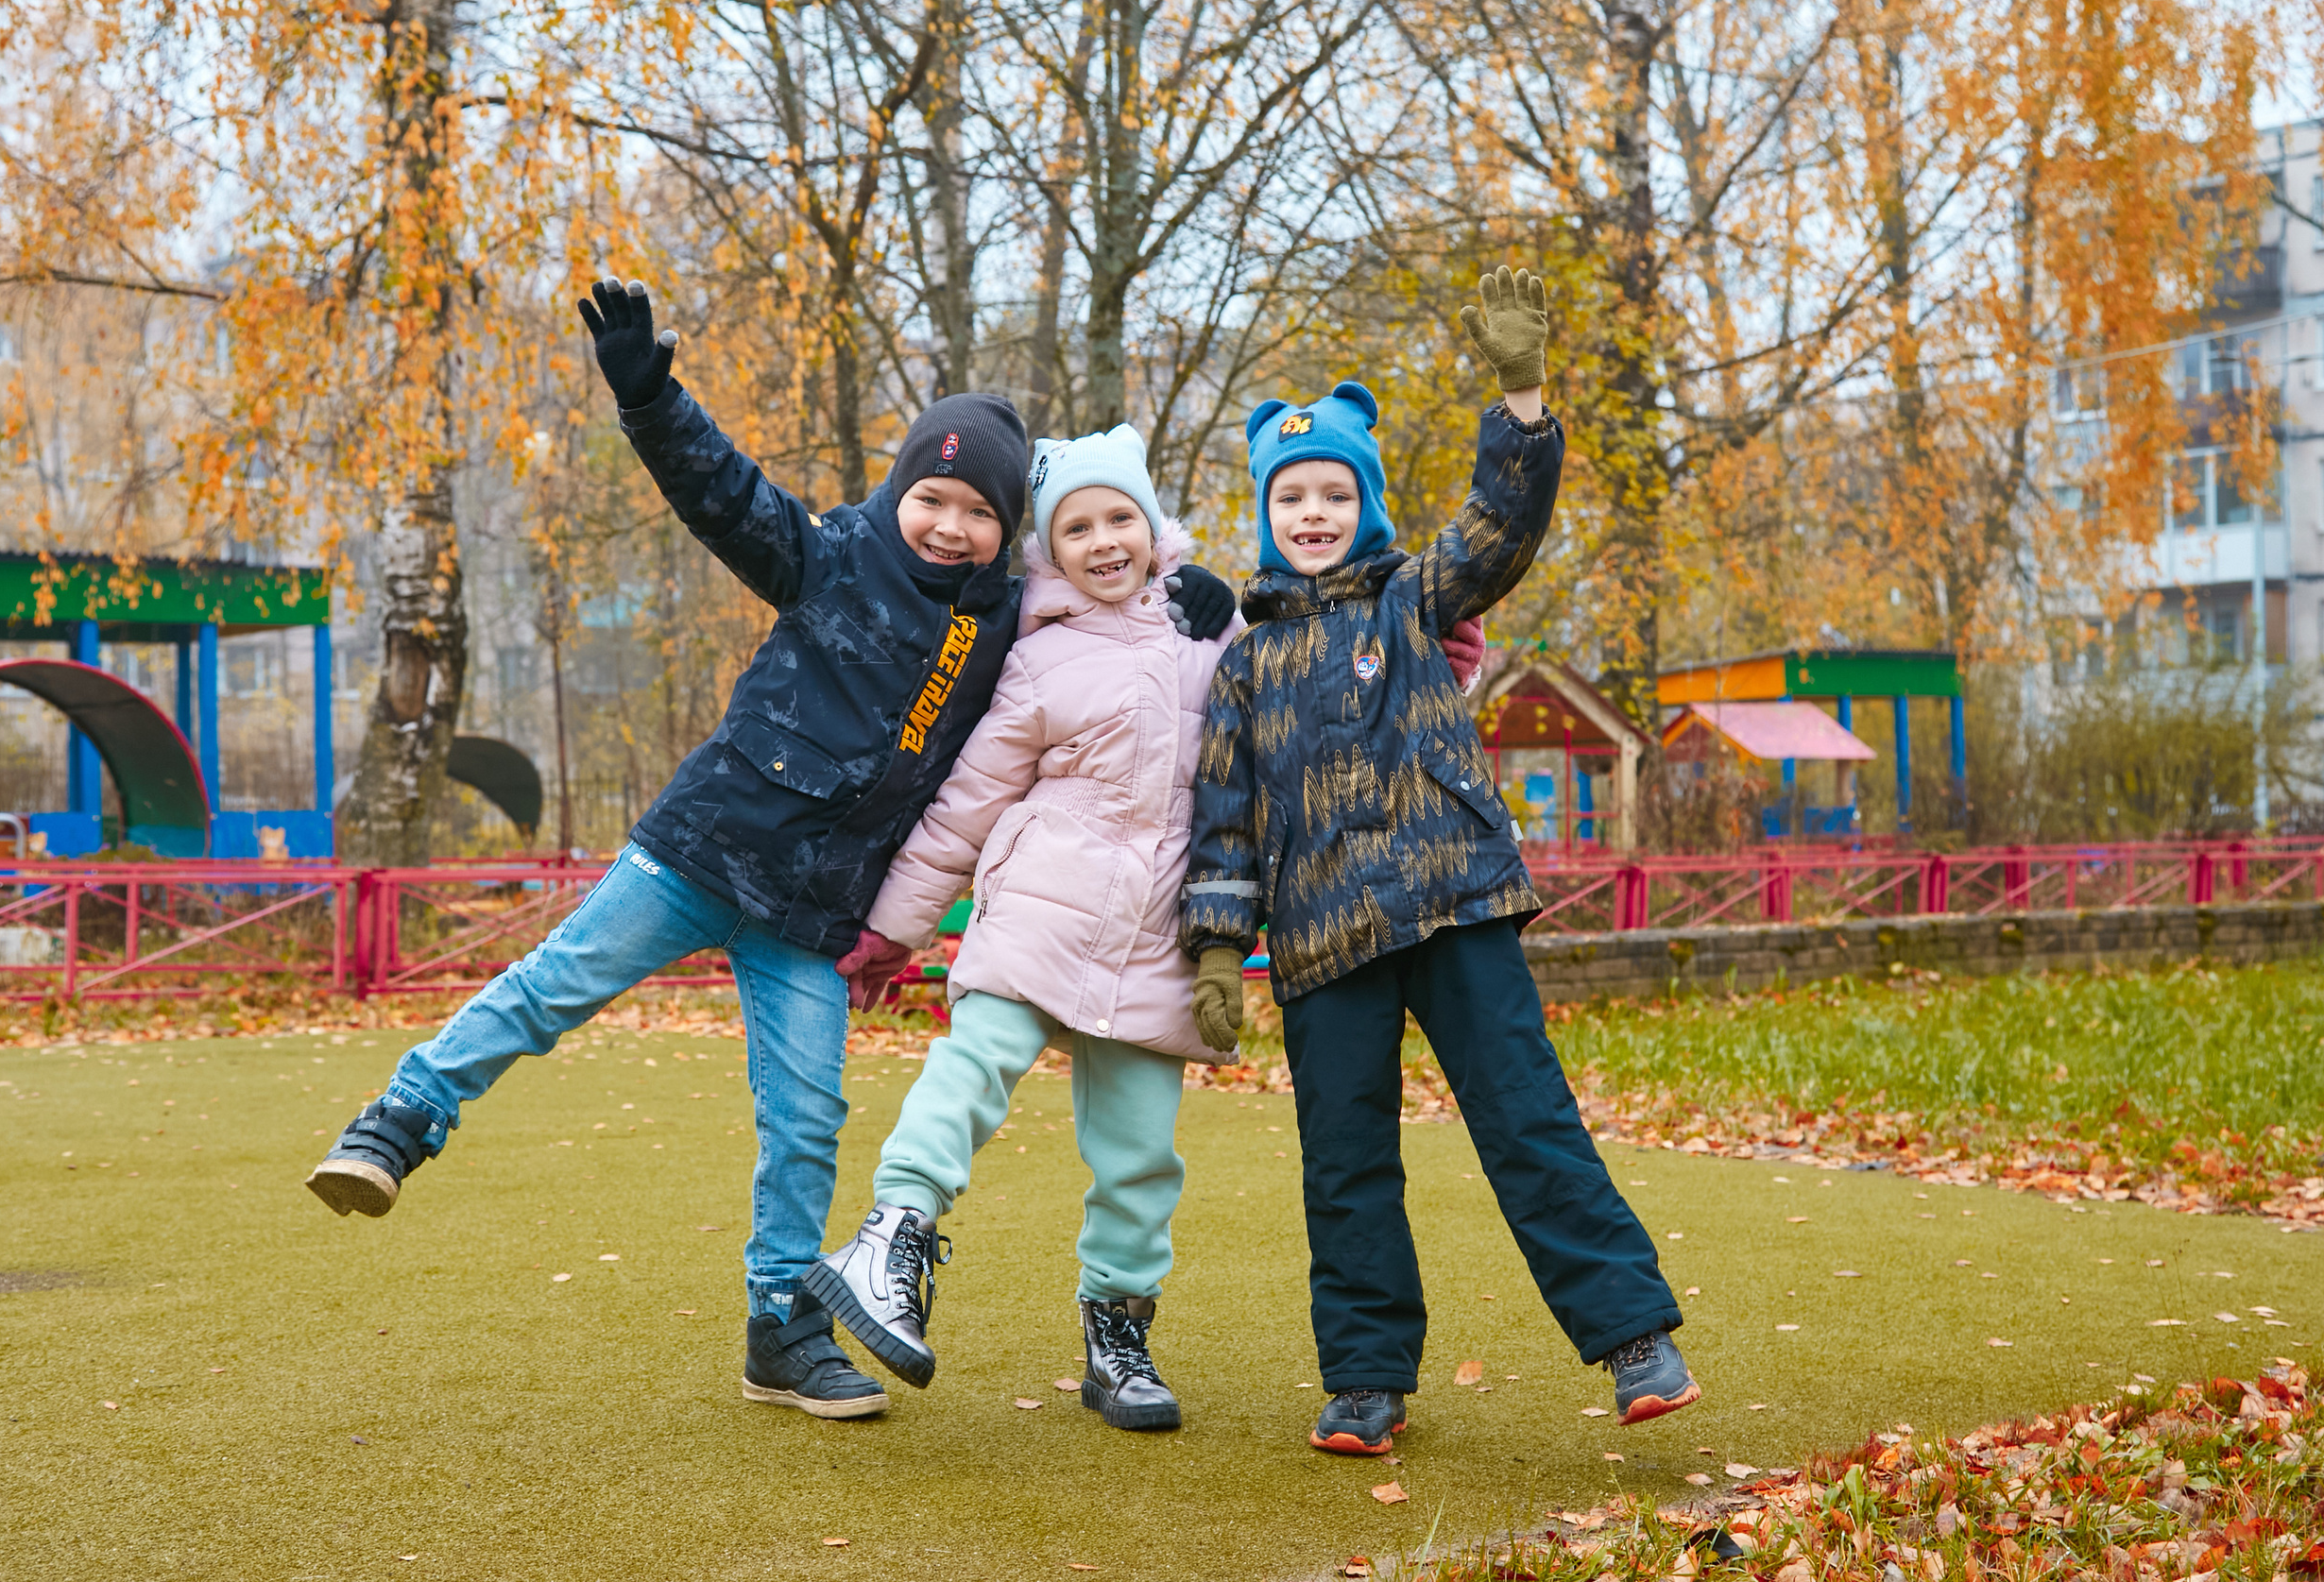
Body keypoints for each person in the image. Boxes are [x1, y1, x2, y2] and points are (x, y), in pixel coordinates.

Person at [300, 278, 1236, 1423]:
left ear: (1004, 532)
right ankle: (396, 1123)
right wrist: (648, 393)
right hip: (702, 851)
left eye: (978, 512)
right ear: (900, 489)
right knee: (550, 988)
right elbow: (720, 491)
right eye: (932, 497)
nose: (950, 525)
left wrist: (1192, 589)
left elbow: (1101, 596)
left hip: (814, 914)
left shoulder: (1003, 621)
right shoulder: (827, 554)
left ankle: (780, 1328)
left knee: (805, 1120)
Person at [1182, 265, 1699, 1457]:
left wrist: (1521, 406)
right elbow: (1224, 818)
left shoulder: (1417, 599)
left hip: (1454, 903)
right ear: (1265, 515)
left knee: (1527, 1117)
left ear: (1362, 502)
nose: (1310, 513)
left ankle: (1632, 1339)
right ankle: (1365, 1377)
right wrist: (1217, 946)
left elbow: (1499, 527)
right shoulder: (1244, 669)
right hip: (1319, 943)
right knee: (1345, 1158)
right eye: (1289, 498)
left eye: (1331, 493)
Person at [802, 425, 1237, 1432]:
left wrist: (1235, 612)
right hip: (1042, 900)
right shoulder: (1037, 660)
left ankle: (1116, 1333)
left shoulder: (1211, 635)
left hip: (1160, 927)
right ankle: (890, 1235)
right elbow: (963, 804)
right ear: (1049, 546)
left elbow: (1318, 691)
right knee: (972, 1066)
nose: (1102, 540)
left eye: (1118, 517)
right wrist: (894, 930)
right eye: (1076, 525)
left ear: (1152, 525)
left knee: (1138, 1154)